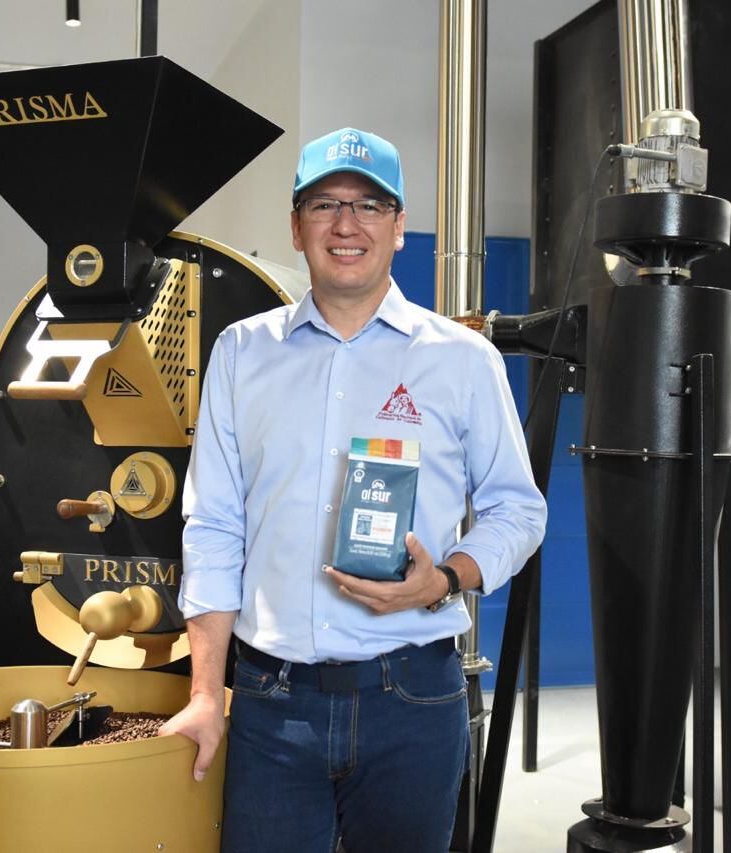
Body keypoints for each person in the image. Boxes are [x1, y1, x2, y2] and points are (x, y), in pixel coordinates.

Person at [160, 127, 546, 852]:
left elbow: (517, 511)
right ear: (297, 225)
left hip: (413, 699)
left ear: (399, 228)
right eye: (325, 204)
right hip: (273, 704)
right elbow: (211, 526)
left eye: (370, 205)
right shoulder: (242, 353)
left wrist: (445, 580)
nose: (347, 224)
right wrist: (206, 694)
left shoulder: (463, 360)